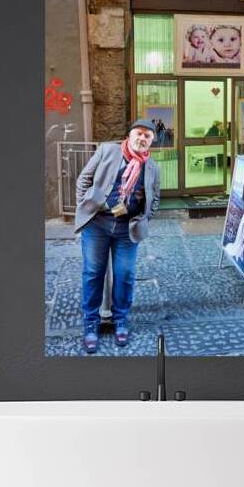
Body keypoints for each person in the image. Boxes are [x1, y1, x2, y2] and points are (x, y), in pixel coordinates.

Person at [75, 119, 160, 353]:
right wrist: (85, 208)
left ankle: (120, 319)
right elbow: (84, 180)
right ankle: (90, 322)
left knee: (125, 275)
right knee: (93, 273)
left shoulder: (152, 167)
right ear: (130, 135)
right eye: (139, 133)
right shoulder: (107, 151)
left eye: (147, 136)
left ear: (152, 141)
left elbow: (155, 198)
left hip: (126, 229)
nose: (142, 138)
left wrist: (143, 217)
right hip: (97, 225)